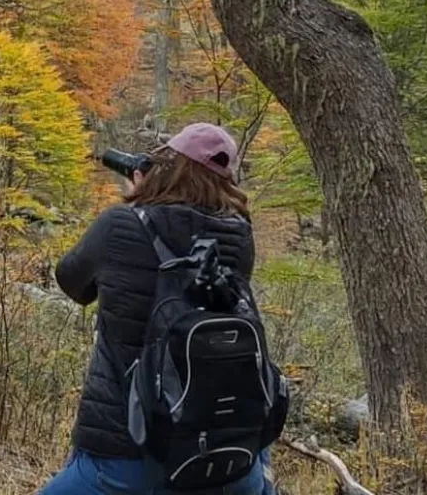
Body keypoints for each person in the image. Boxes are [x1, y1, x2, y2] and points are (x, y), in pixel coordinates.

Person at [38, 122, 277, 495]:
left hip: (126, 453)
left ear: (167, 168)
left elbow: (72, 283)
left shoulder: (119, 225)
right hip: (228, 456)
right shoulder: (239, 235)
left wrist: (138, 201)